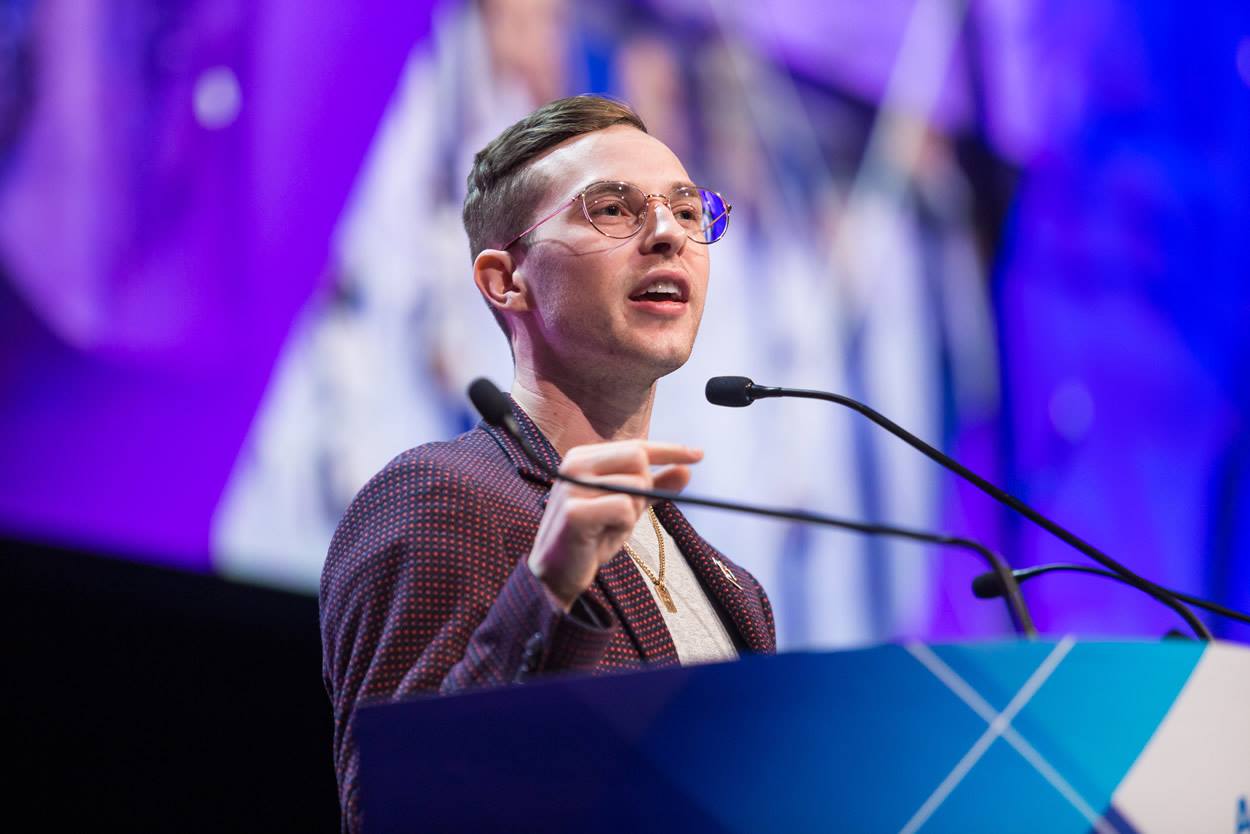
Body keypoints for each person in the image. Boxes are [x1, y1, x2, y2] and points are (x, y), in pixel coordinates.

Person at [319, 95, 776, 832]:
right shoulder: (438, 497)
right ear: (506, 280)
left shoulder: (738, 592)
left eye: (688, 212)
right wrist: (551, 588)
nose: (668, 234)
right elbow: (404, 813)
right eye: (613, 210)